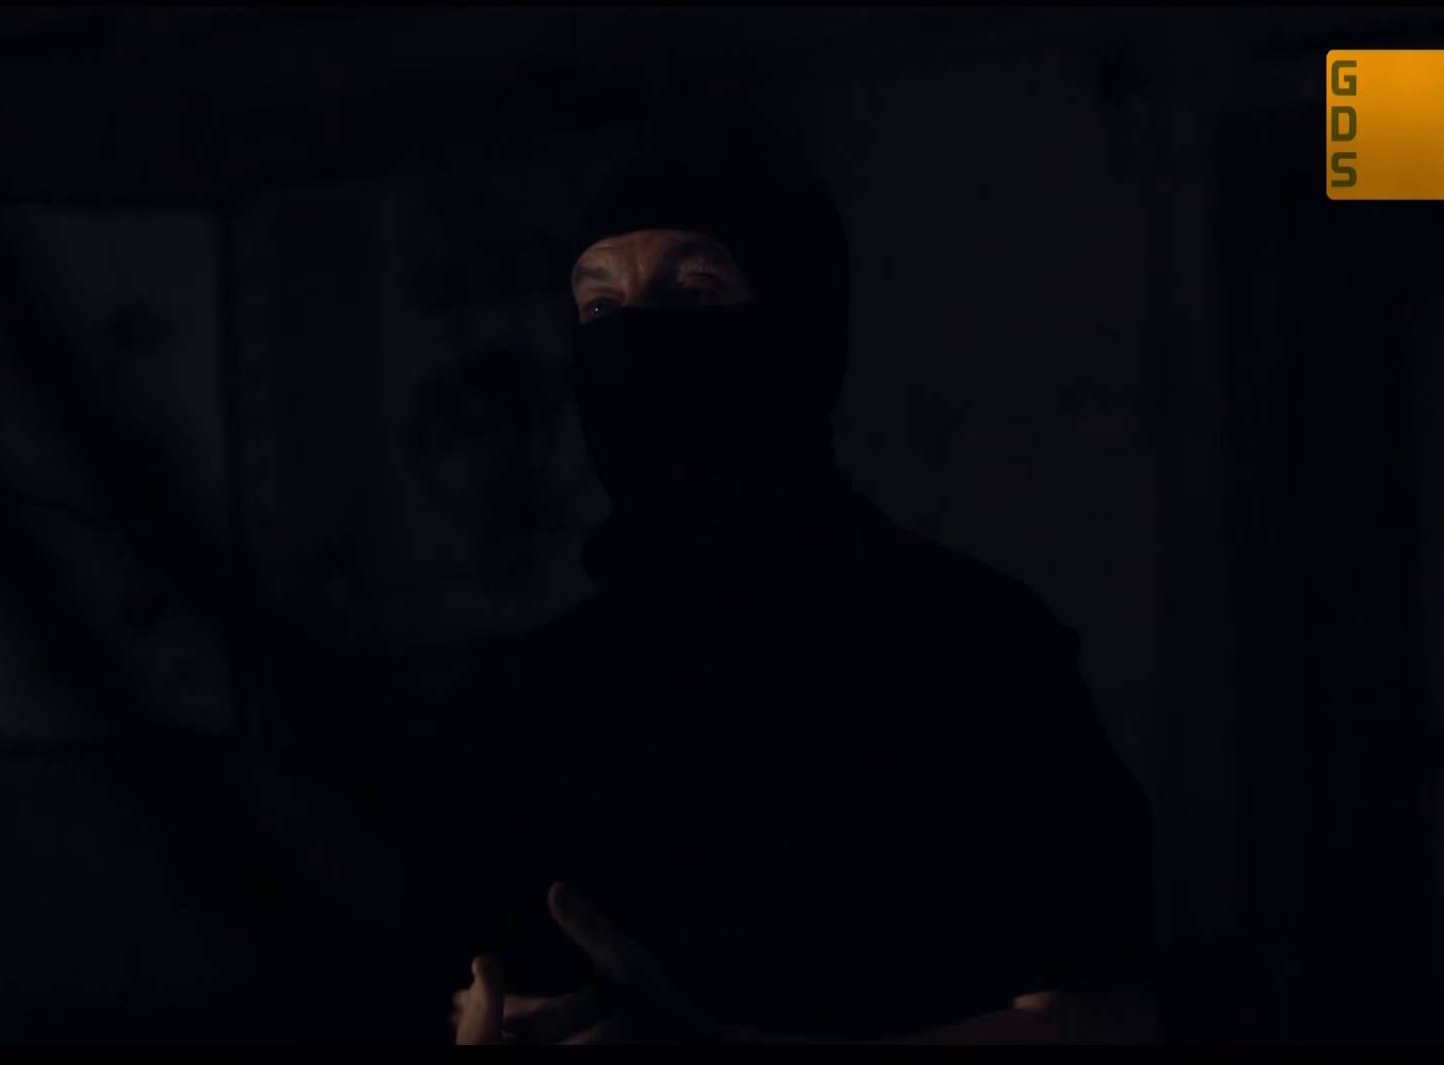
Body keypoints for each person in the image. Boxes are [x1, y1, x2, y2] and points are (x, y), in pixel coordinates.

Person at [416, 112, 1158, 1044]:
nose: (636, 340)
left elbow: (1103, 1016)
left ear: (797, 331)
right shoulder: (520, 709)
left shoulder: (969, 651)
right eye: (601, 307)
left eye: (692, 292)